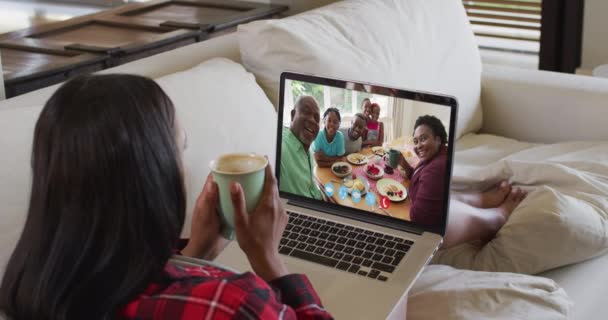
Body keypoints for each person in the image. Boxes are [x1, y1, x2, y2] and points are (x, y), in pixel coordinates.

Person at [0, 75, 333, 320]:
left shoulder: (27, 291)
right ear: (153, 175)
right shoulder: (232, 303)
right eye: (180, 146)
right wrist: (269, 259)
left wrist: (195, 253)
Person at [395, 115, 527, 248]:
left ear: (438, 139)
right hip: (434, 204)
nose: (418, 146)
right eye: (416, 141)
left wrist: (411, 197)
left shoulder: (435, 168)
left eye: (423, 139)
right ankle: (481, 200)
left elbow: (419, 219)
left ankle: (497, 218)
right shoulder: (432, 157)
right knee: (446, 199)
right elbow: (418, 178)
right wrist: (404, 164)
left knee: (445, 207)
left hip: (432, 226)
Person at [280, 96, 323, 200]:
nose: (313, 120)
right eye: (307, 112)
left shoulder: (309, 151)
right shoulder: (282, 147)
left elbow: (311, 188)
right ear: (293, 115)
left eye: (317, 118)